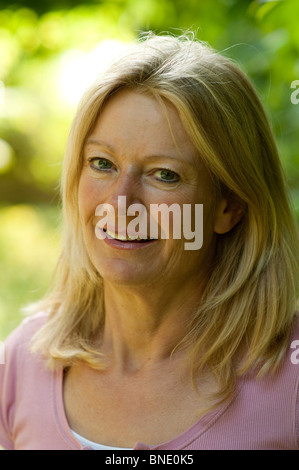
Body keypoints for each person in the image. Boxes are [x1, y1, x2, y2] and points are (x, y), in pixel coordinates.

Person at [0, 32, 299, 451]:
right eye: (102, 164)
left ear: (228, 206)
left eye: (164, 174)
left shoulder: (290, 379)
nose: (120, 204)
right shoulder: (20, 364)